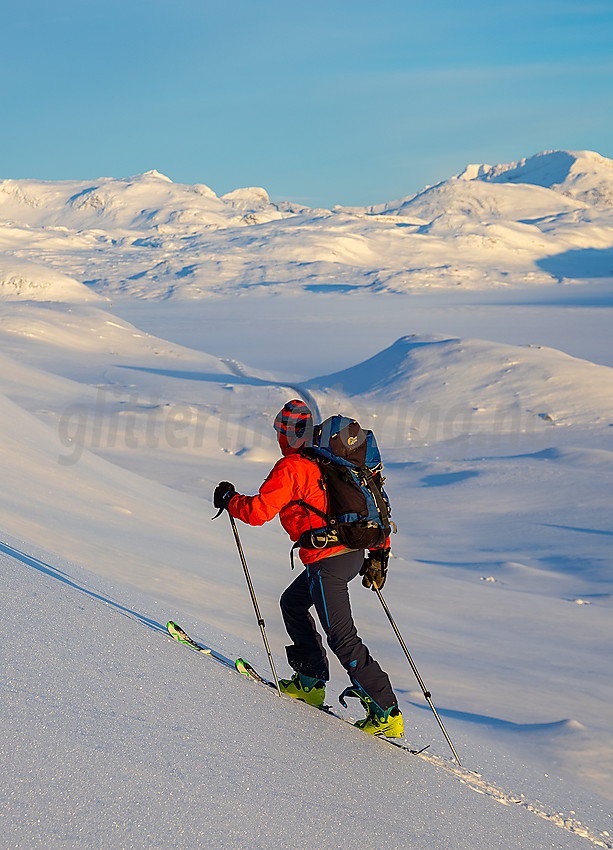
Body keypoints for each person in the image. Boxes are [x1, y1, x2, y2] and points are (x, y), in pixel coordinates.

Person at [213, 399, 404, 738]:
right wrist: (379, 553)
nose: (278, 438)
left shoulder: (294, 467)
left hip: (327, 561)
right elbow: (373, 503)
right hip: (351, 553)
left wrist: (230, 500)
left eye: (279, 432)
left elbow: (258, 512)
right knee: (293, 603)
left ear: (285, 434)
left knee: (342, 637)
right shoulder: (327, 462)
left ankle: (386, 710)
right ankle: (311, 681)